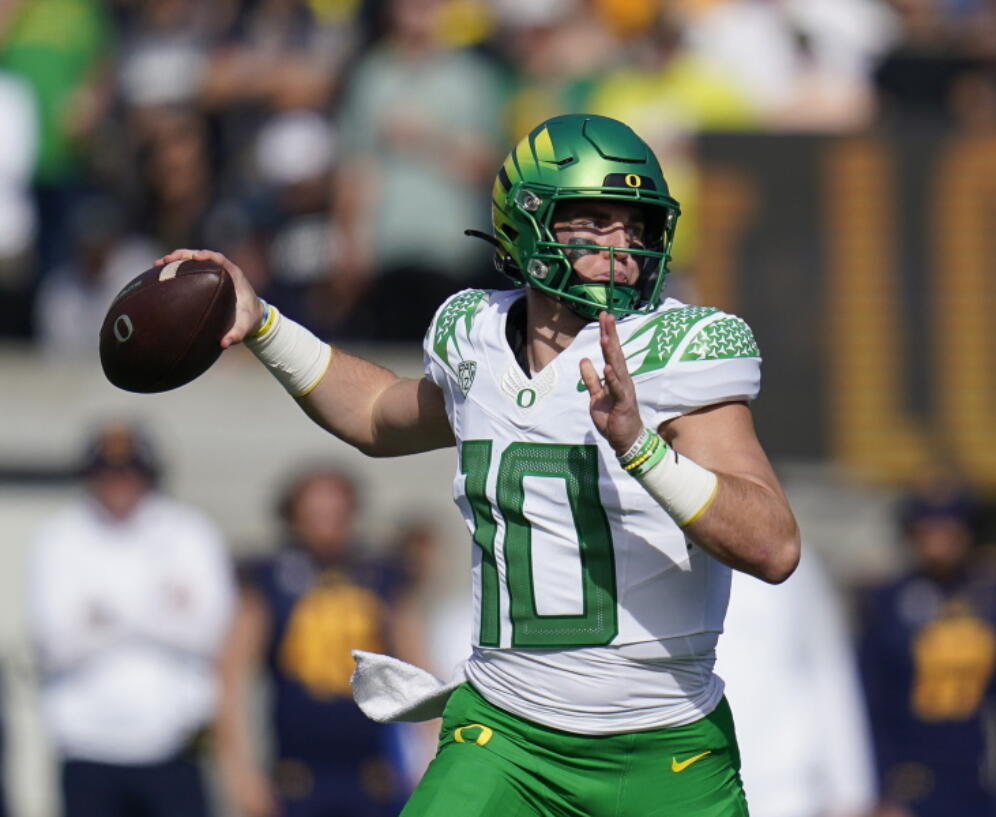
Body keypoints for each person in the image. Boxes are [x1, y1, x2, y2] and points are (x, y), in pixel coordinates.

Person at [156, 111, 800, 817]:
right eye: (595, 221)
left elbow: (772, 544)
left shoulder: (678, 348)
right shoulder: (477, 336)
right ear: (528, 226)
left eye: (636, 225)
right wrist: (265, 324)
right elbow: (377, 413)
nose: (623, 246)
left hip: (665, 746)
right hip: (507, 734)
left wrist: (640, 447)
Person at [27, 422, 236, 817]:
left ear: (149, 474)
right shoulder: (58, 536)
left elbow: (210, 633)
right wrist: (159, 607)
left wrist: (106, 612)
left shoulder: (189, 530)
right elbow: (54, 644)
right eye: (106, 473)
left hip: (175, 745)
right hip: (87, 747)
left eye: (130, 471)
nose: (118, 483)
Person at [214, 465, 424, 817]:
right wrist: (240, 773)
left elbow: (420, 670)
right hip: (297, 777)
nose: (325, 522)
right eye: (313, 512)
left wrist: (427, 754)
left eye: (336, 512)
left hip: (373, 774)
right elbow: (231, 676)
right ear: (292, 515)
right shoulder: (269, 578)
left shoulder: (382, 576)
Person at [857, 484, 996, 817]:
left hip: (982, 785)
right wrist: (880, 792)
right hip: (910, 785)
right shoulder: (888, 604)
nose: (938, 540)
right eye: (928, 529)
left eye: (948, 529)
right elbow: (869, 706)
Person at [716, 549, 875, 817]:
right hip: (699, 781)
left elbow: (829, 669)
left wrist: (852, 791)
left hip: (789, 791)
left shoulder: (792, 560)